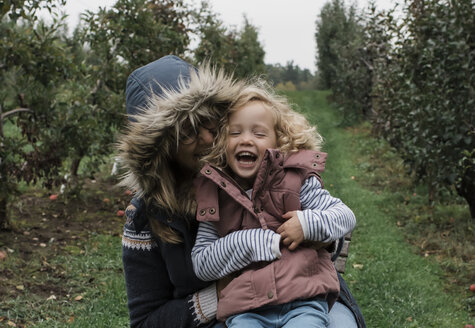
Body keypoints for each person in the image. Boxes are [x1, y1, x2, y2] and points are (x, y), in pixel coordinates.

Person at [118, 55, 366, 327]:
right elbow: (145, 322)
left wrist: (315, 232)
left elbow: (328, 223)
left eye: (211, 123)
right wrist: (218, 295)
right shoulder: (147, 216)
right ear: (162, 149)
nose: (208, 139)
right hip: (234, 312)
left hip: (304, 297)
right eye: (187, 132)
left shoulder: (262, 170)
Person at [191, 83, 356, 327]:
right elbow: (202, 263)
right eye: (235, 133)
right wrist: (247, 242)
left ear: (279, 142)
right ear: (221, 143)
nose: (246, 139)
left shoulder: (297, 180)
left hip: (303, 300)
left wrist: (307, 223)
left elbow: (344, 216)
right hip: (246, 309)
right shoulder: (214, 195)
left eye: (258, 134)